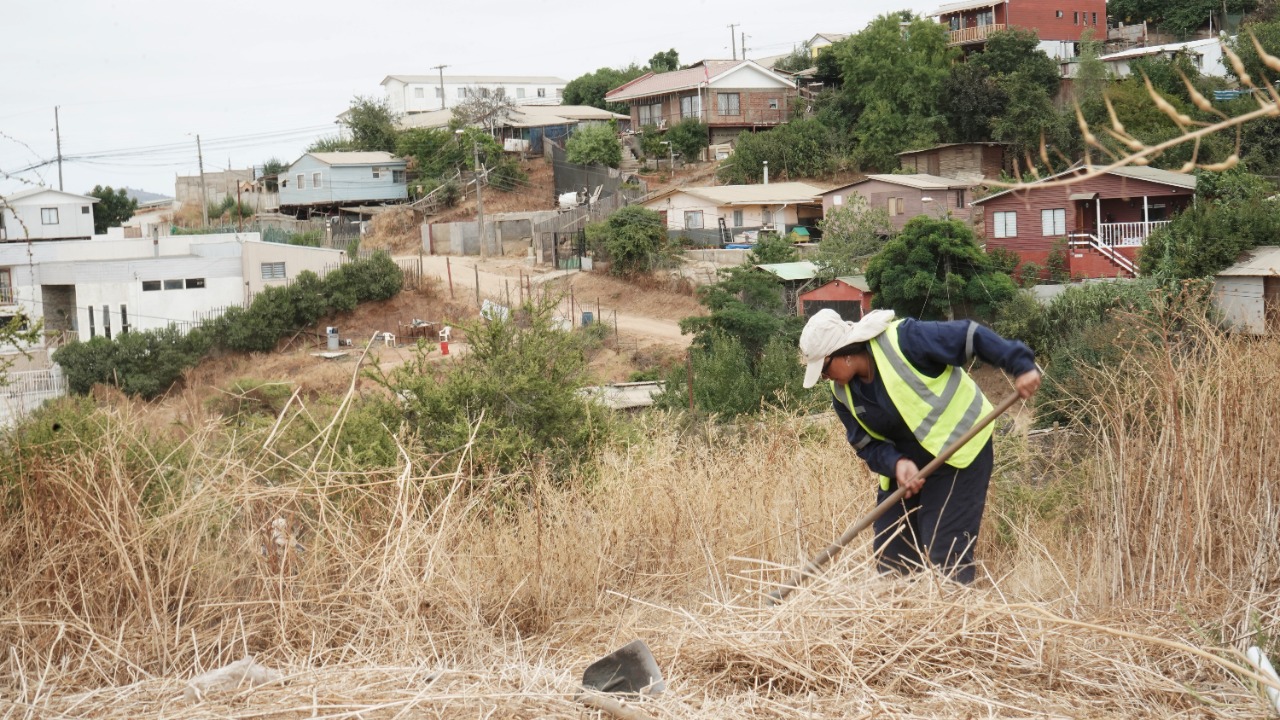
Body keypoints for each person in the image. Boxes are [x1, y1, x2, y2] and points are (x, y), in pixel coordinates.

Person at [798, 308, 1041, 584]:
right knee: (892, 558)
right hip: (907, 472)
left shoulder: (905, 340)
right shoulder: (842, 395)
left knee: (944, 554)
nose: (825, 378)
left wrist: (1019, 363)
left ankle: (955, 619)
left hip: (959, 453)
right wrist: (896, 463)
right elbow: (865, 444)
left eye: (825, 368)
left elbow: (968, 335)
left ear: (846, 351)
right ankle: (907, 624)